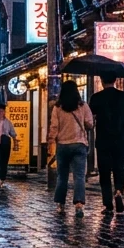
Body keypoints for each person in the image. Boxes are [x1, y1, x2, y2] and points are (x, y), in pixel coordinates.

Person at [89, 74, 124, 215]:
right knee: (119, 167)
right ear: (115, 80)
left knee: (104, 171)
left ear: (102, 81)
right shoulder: (123, 96)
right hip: (120, 139)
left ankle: (108, 204)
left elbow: (91, 120)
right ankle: (119, 191)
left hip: (103, 139)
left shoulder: (96, 97)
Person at [48, 81, 94, 217]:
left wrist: (51, 141)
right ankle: (79, 204)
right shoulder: (82, 106)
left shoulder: (58, 107)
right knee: (79, 176)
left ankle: (60, 204)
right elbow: (90, 124)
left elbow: (54, 127)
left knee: (62, 176)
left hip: (62, 145)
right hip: (79, 144)